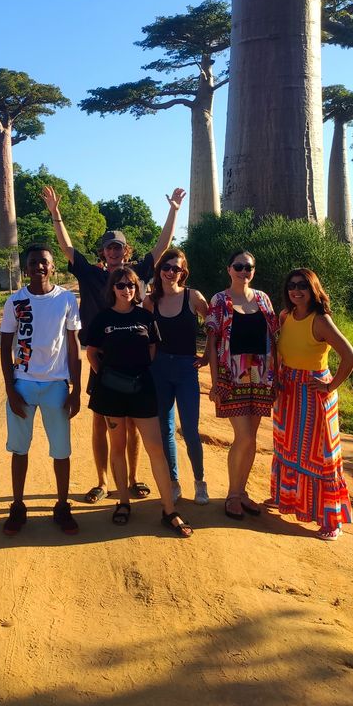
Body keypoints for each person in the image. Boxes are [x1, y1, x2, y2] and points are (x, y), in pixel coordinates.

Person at [41, 184, 186, 505]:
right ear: (103, 252)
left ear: (126, 251)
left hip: (133, 358)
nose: (113, 252)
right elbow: (66, 248)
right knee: (100, 423)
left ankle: (134, 479)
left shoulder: (136, 275)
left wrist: (174, 211)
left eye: (118, 247)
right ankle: (102, 481)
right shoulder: (91, 274)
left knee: (132, 422)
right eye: (108, 248)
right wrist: (55, 214)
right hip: (101, 357)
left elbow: (162, 247)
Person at [85, 266, 192, 536]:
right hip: (111, 393)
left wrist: (136, 374)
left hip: (142, 389)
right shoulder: (102, 319)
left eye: (131, 285)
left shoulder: (145, 316)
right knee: (117, 447)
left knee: (155, 447)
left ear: (137, 288)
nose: (127, 289)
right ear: (112, 289)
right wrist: (109, 377)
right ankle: (122, 502)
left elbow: (152, 349)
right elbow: (92, 353)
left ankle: (169, 510)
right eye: (121, 285)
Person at [0, 245, 82, 536]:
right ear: (26, 268)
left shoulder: (66, 300)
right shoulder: (15, 301)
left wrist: (75, 389)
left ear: (53, 266)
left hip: (56, 386)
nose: (39, 267)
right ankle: (18, 505)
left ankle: (61, 506)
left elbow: (74, 347)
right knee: (19, 449)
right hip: (23, 384)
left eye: (44, 262)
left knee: (61, 451)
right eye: (33, 263)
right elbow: (4, 346)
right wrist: (10, 389)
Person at [272, 269, 353, 541]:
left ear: (313, 290)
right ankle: (288, 499)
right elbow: (279, 349)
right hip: (287, 391)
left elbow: (350, 357)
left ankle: (331, 520)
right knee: (288, 447)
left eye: (302, 286)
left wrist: (330, 386)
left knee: (320, 455)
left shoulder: (320, 320)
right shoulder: (285, 316)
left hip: (313, 393)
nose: (296, 290)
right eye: (291, 286)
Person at [205, 250, 278, 521]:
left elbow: (274, 338)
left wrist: (277, 376)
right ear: (229, 269)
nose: (243, 271)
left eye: (248, 268)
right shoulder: (220, 300)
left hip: (261, 375)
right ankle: (233, 495)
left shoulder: (263, 299)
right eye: (238, 266)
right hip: (232, 376)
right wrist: (215, 383)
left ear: (253, 271)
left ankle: (242, 491)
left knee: (252, 440)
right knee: (244, 437)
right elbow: (212, 344)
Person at [144, 249, 210, 504]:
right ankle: (173, 482)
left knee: (191, 430)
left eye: (177, 269)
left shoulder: (193, 297)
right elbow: (144, 336)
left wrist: (206, 356)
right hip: (159, 368)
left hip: (186, 369)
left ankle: (199, 481)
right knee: (165, 429)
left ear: (184, 273)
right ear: (160, 269)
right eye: (167, 267)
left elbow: (215, 325)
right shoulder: (150, 301)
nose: (171, 272)